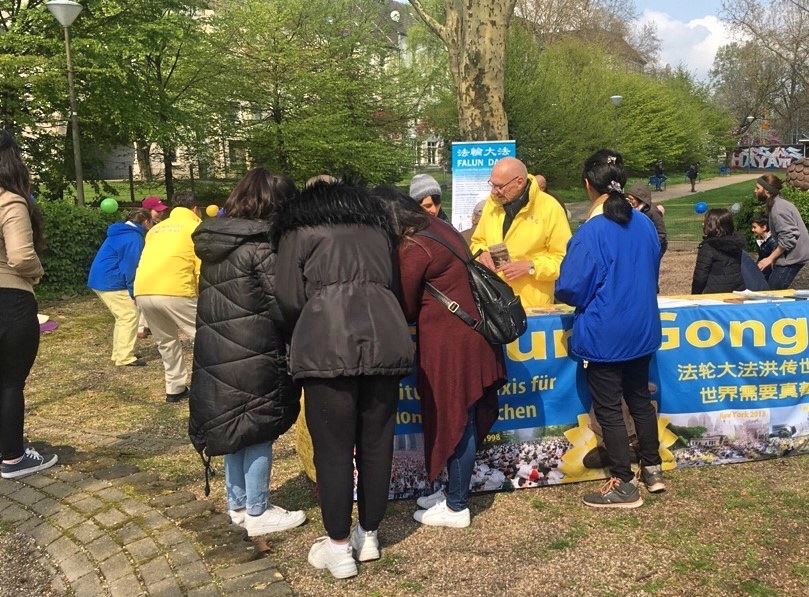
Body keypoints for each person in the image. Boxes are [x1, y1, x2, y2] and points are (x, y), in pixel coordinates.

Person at [274, 179, 414, 579]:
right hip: (384, 339)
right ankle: (368, 534)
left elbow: (287, 298)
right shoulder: (377, 230)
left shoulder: (298, 233)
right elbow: (394, 285)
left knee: (332, 450)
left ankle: (337, 547)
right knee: (376, 443)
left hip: (325, 345)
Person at [376, 186, 506, 528]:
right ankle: (451, 488)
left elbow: (404, 304)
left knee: (455, 417)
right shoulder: (438, 227)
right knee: (462, 413)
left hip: (452, 342)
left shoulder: (414, 245)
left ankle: (456, 505)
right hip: (472, 333)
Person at [189, 168, 305, 537]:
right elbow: (285, 304)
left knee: (234, 424)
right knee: (257, 427)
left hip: (218, 346)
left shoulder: (215, 242)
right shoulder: (260, 245)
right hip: (255, 349)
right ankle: (258, 510)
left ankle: (237, 504)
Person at [556, 149, 663, 508]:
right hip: (642, 328)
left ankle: (623, 482)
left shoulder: (591, 233)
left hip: (606, 334)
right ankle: (653, 468)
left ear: (588, 185)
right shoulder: (645, 223)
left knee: (610, 410)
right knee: (641, 401)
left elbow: (570, 288)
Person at [0, 130, 58, 479]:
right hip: (9, 300)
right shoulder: (10, 201)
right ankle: (13, 457)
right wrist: (36, 273)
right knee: (10, 382)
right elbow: (21, 256)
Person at [471, 157, 571, 308]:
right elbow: (477, 242)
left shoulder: (550, 208)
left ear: (519, 182)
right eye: (492, 184)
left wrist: (531, 267)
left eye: (499, 186)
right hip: (495, 302)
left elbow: (565, 260)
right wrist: (482, 253)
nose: (494, 191)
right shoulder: (492, 204)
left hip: (533, 308)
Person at [134, 190, 201, 402]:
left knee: (166, 342)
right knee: (205, 336)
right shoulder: (196, 227)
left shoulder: (155, 230)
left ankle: (175, 388)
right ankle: (214, 384)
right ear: (195, 209)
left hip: (144, 289)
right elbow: (200, 264)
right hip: (176, 289)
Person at [87, 208, 152, 367]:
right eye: (151, 221)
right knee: (129, 315)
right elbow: (131, 267)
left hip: (101, 279)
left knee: (123, 316)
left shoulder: (120, 232)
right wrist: (133, 292)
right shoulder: (134, 238)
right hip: (110, 281)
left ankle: (120, 353)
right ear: (145, 222)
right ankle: (124, 357)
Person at [754, 174, 809, 289]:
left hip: (792, 258)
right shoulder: (777, 204)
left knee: (773, 294)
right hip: (790, 255)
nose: (755, 191)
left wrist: (770, 258)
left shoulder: (778, 209)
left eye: (758, 188)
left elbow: (788, 237)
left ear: (767, 191)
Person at [691, 209, 746, 295]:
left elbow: (700, 276)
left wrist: (695, 294)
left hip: (714, 292)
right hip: (737, 289)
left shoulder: (708, 247)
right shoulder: (736, 244)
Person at [626, 183, 668, 286]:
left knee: (649, 271)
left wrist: (650, 247)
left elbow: (661, 233)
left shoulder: (652, 212)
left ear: (640, 198)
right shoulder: (633, 211)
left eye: (632, 199)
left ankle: (652, 289)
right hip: (638, 247)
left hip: (652, 248)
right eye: (629, 199)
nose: (630, 201)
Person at [751, 214, 777, 280]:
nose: (752, 230)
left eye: (754, 227)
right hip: (763, 270)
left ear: (764, 228)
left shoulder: (772, 241)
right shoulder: (760, 240)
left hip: (770, 274)